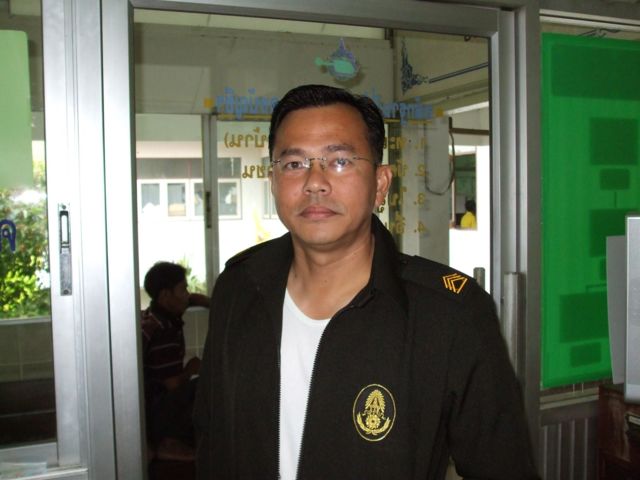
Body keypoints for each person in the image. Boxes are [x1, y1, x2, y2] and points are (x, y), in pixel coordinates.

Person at [194, 85, 539, 479]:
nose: (315, 182)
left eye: (340, 161)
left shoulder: (449, 314)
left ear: (380, 184)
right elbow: (210, 436)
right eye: (294, 164)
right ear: (273, 180)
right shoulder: (239, 288)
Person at [141, 261, 209, 461]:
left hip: (147, 410)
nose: (187, 294)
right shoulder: (164, 331)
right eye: (183, 289)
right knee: (204, 385)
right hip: (156, 414)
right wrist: (191, 368)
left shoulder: (155, 315)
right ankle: (169, 442)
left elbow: (192, 299)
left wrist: (210, 303)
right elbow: (173, 385)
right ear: (165, 296)